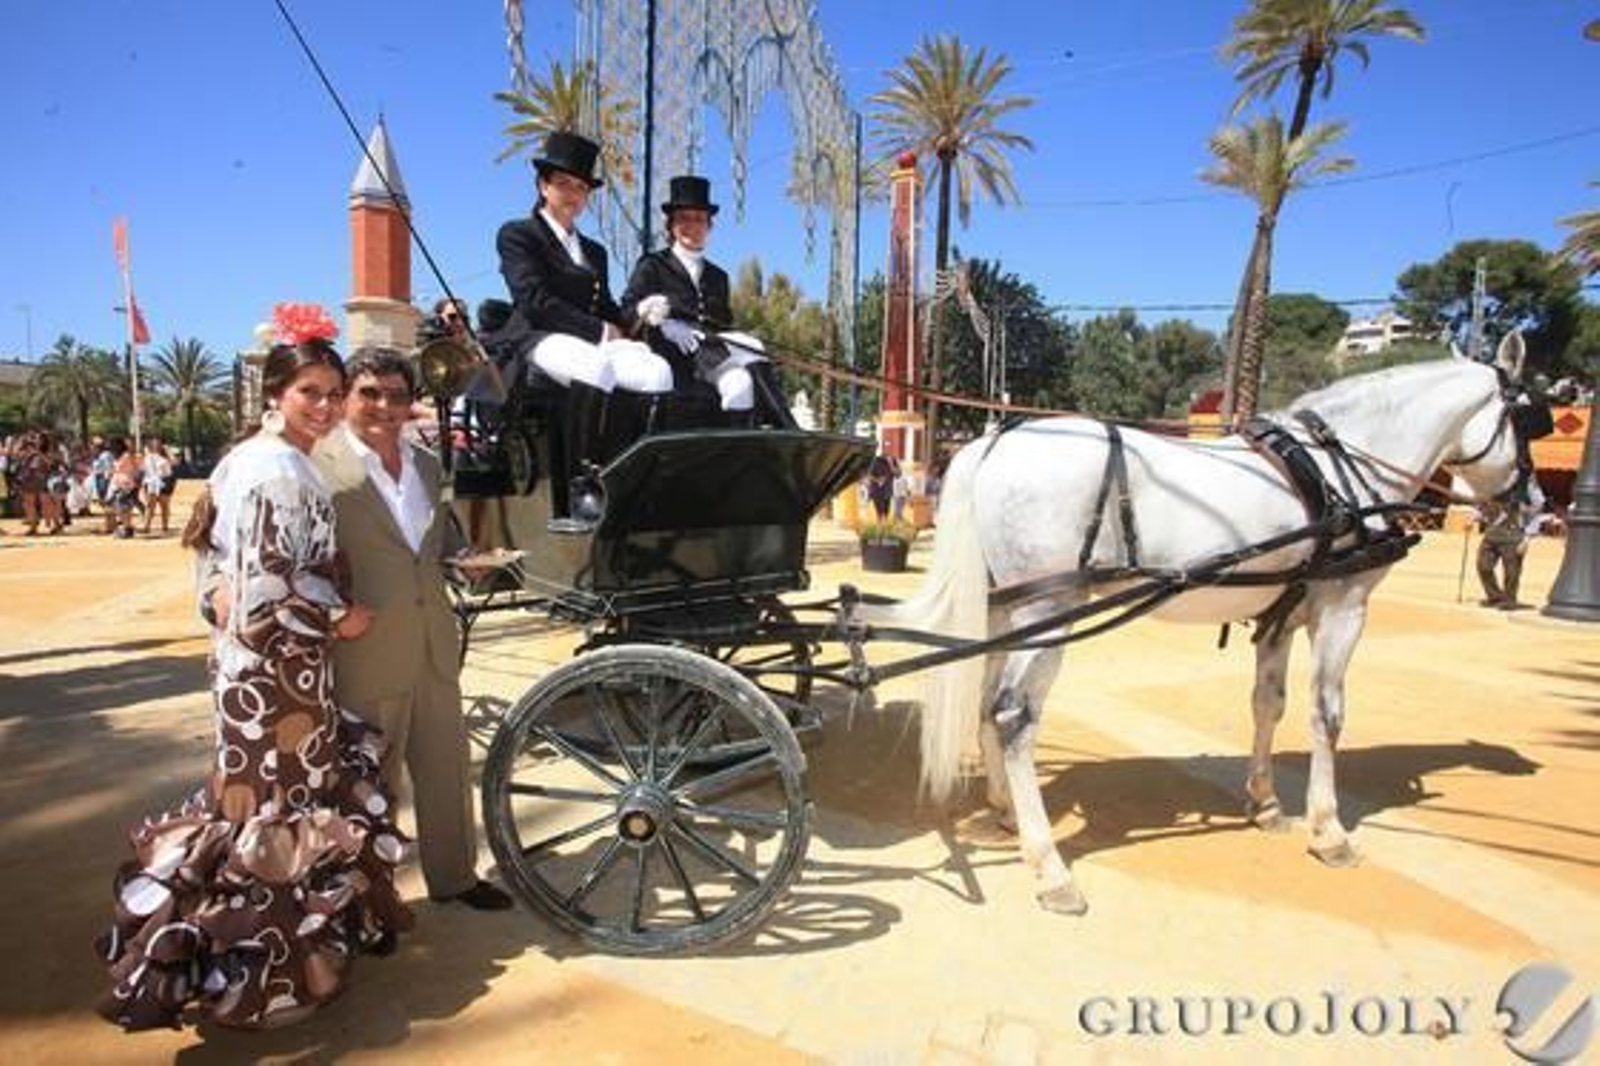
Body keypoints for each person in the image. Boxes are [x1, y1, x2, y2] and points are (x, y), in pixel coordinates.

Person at [96, 328, 412, 1031]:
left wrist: (230, 602)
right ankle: (266, 981)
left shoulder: (262, 459)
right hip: (275, 680)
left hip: (262, 674)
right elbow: (269, 593)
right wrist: (341, 617)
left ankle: (270, 972)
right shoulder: (276, 470)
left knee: (262, 807)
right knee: (273, 813)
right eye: (310, 393)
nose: (325, 407)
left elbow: (218, 570)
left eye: (333, 394)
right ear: (276, 393)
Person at [315, 345, 513, 912]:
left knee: (446, 772)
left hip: (434, 645)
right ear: (347, 397)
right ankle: (368, 899)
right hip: (366, 649)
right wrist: (334, 613)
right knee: (368, 786)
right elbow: (300, 556)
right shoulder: (318, 464)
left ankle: (455, 877)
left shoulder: (427, 464)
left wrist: (466, 558)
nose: (384, 406)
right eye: (370, 394)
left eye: (397, 396)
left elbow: (437, 539)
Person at [496, 130, 672, 529]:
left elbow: (606, 306)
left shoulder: (594, 251)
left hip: (589, 339)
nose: (573, 194)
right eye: (564, 184)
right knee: (595, 365)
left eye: (581, 187)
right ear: (543, 185)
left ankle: (638, 475)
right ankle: (584, 485)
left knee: (655, 369)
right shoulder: (518, 234)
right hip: (537, 337)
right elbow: (534, 300)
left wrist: (638, 314)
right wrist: (600, 331)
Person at [621, 174, 796, 429]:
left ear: (709, 225)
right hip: (671, 356)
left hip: (710, 355)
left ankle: (737, 449)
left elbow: (723, 327)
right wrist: (654, 318)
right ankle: (786, 425)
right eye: (684, 218)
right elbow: (626, 312)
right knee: (751, 346)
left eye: (699, 219)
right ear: (671, 225)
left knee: (740, 384)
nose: (692, 226)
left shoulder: (718, 277)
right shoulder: (653, 265)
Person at [1476, 498, 1530, 610]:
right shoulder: (1491, 491)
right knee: (1483, 566)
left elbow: (1535, 514)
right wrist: (1477, 518)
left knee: (1511, 572)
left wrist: (1526, 539)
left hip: (1513, 537)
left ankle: (1510, 600)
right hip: (1491, 536)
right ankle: (1495, 597)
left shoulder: (1523, 491)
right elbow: (1485, 508)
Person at [140, 437, 176, 535]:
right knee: (150, 505)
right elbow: (142, 469)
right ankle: (146, 526)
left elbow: (174, 462)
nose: (156, 445)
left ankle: (165, 526)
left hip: (165, 481)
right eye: (154, 443)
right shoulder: (147, 456)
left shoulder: (166, 456)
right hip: (150, 481)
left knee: (164, 505)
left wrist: (168, 451)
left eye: (158, 444)